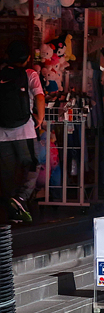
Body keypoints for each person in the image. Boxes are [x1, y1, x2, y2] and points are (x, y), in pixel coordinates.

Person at [0, 40, 45, 224]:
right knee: (32, 166)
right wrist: (40, 119)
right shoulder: (29, 74)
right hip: (25, 131)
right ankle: (20, 199)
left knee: (7, 173)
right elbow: (40, 97)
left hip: (1, 133)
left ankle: (12, 210)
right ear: (27, 58)